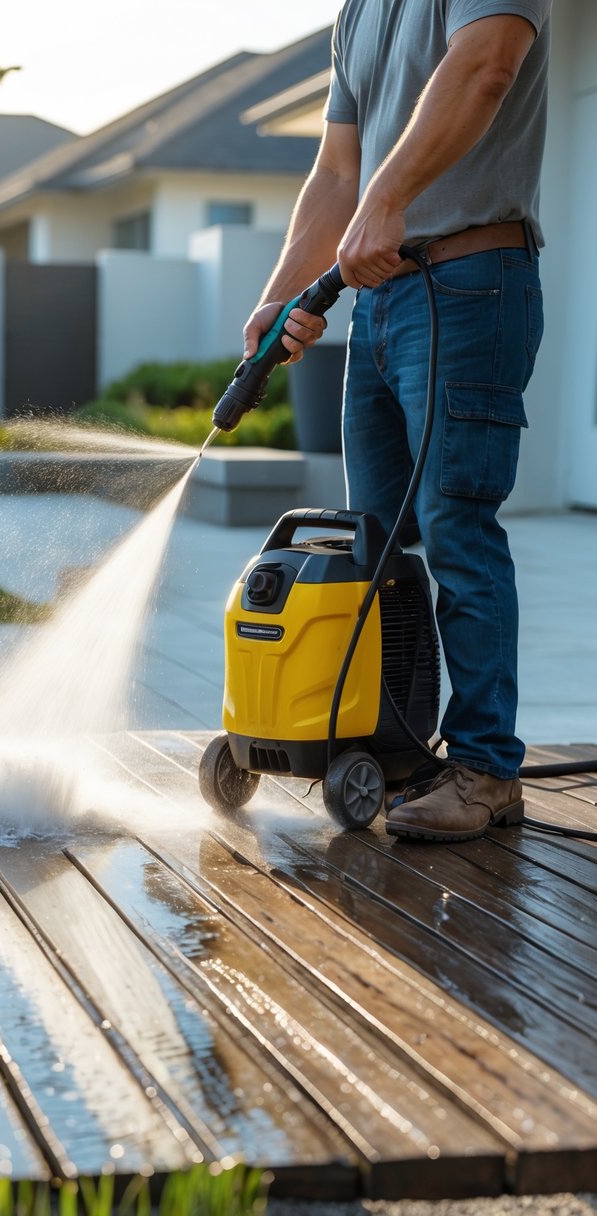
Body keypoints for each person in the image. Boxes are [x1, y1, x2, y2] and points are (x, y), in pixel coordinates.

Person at [243, 0, 553, 841]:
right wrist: (282, 291)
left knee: (456, 521)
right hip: (380, 301)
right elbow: (337, 172)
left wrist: (386, 200)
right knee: (366, 542)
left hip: (471, 279)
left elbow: (485, 66)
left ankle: (487, 769)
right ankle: (394, 749)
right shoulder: (360, 8)